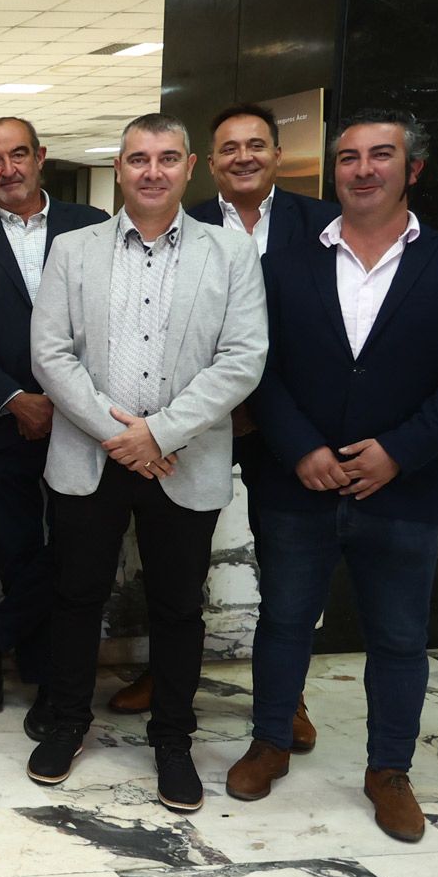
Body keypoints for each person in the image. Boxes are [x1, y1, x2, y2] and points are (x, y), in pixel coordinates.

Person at [226, 109, 438, 843]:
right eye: (348, 156)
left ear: (413, 169)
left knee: (399, 636)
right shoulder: (284, 266)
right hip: (299, 483)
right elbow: (261, 367)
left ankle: (390, 770)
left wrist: (400, 450)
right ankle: (269, 742)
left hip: (402, 488)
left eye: (381, 155)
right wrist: (299, 448)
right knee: (284, 620)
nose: (363, 168)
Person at [25, 113, 267, 814]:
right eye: (137, 159)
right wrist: (117, 433)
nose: (152, 171)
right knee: (76, 595)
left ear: (190, 168)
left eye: (166, 158)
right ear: (121, 168)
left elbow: (243, 358)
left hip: (181, 461)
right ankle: (69, 721)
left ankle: (173, 739)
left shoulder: (230, 254)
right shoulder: (74, 249)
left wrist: (159, 432)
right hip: (90, 456)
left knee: (177, 606)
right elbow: (51, 352)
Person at [113, 102, 336, 736]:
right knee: (169, 562)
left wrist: (281, 421)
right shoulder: (178, 220)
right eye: (229, 148)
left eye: (256, 145)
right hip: (189, 429)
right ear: (205, 164)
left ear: (278, 154)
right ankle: (166, 672)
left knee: (287, 568)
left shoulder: (322, 225)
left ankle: (285, 698)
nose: (243, 157)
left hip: (282, 428)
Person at [0, 118, 108, 735]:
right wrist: (14, 397)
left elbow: (115, 322)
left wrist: (70, 401)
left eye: (18, 155)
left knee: (78, 554)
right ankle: (48, 683)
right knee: (20, 552)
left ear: (41, 157)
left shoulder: (94, 226)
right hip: (2, 423)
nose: (7, 169)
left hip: (87, 420)